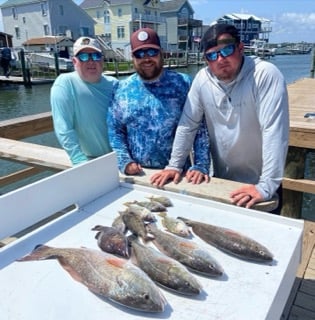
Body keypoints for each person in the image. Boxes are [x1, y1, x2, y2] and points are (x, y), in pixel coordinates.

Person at [150, 24, 289, 214]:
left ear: (241, 48)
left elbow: (274, 131)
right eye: (212, 55)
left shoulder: (264, 74)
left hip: (260, 186)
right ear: (206, 59)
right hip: (223, 182)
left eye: (227, 50)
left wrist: (266, 186)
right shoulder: (202, 80)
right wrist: (174, 165)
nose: (220, 59)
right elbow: (187, 125)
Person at [108, 28, 209, 175]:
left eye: (152, 52)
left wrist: (201, 165)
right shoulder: (120, 89)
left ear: (161, 53)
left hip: (178, 174)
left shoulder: (184, 83)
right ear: (133, 57)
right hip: (140, 175)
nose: (147, 58)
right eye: (140, 54)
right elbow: (115, 130)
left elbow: (200, 128)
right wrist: (125, 161)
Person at [51, 36, 118, 165]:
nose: (91, 61)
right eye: (84, 57)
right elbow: (63, 127)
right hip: (88, 160)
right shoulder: (65, 83)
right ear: (74, 61)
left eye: (95, 56)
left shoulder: (114, 84)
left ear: (102, 60)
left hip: (120, 158)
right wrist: (79, 160)